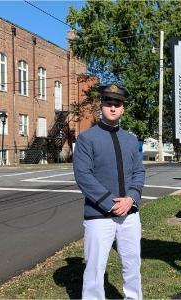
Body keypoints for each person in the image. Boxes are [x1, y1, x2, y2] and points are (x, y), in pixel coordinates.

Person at [74, 83, 146, 300]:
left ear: (123, 108)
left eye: (118, 104)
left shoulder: (131, 140)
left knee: (132, 264)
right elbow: (83, 176)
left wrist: (131, 198)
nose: (113, 108)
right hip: (98, 215)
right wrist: (110, 203)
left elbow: (139, 171)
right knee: (95, 268)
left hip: (130, 214)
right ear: (101, 106)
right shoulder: (87, 138)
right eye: (109, 103)